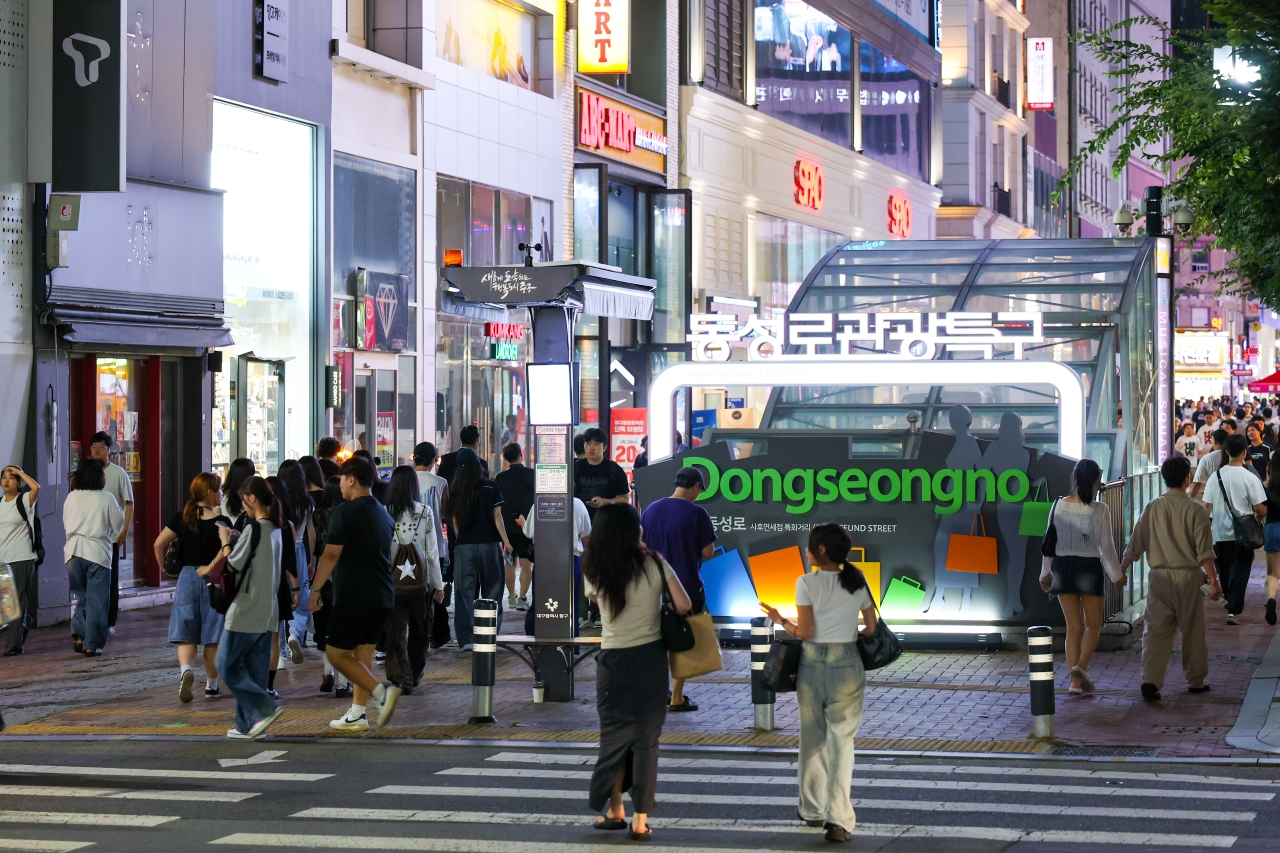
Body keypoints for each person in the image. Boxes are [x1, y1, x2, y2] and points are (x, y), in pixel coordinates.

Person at [762, 523, 877, 843]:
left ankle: (812, 809)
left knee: (812, 736)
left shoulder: (806, 583)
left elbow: (806, 632)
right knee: (842, 742)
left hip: (813, 665)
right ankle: (839, 820)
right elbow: (870, 628)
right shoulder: (856, 580)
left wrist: (781, 620)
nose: (807, 551)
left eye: (810, 547)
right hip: (848, 664)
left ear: (822, 551)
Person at [583, 503, 691, 841]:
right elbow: (685, 605)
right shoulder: (655, 563)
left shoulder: (594, 568)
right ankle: (640, 820)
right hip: (650, 662)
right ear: (635, 531)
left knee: (614, 739)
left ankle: (615, 809)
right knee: (646, 742)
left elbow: (592, 600)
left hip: (613, 664)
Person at [308, 456, 402, 731]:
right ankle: (358, 714)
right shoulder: (383, 512)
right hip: (382, 595)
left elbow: (331, 553)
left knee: (336, 654)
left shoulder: (345, 512)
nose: (339, 488)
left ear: (350, 480)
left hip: (354, 594)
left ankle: (381, 694)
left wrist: (315, 589)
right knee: (362, 655)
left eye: (341, 481)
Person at [1120, 456, 1219, 701]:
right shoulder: (1195, 509)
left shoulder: (1153, 506)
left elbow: (1136, 543)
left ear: (1164, 478)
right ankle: (1196, 681)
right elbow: (1204, 552)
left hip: (1159, 578)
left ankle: (1151, 681)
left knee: (1155, 631)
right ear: (1187, 479)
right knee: (1193, 631)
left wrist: (1121, 569)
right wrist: (1214, 582)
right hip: (1189, 578)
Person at [200, 476, 284, 739]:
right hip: (268, 609)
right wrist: (238, 537)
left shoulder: (255, 528)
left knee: (225, 663)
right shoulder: (277, 529)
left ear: (252, 498)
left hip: (246, 609)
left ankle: (265, 708)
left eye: (242, 500)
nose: (242, 507)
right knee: (254, 669)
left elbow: (232, 564)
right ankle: (247, 725)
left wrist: (226, 539)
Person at [1038, 458, 1124, 694]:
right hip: (1089, 568)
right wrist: (1116, 575)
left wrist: (1045, 574)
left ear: (1074, 478)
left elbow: (1049, 544)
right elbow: (1107, 548)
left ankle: (1075, 683)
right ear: (1096, 481)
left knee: (1073, 628)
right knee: (1093, 625)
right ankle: (1081, 667)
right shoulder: (1100, 510)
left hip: (1063, 569)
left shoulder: (1057, 505)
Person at [640, 466, 717, 712]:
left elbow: (641, 546)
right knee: (682, 641)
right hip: (686, 588)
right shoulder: (697, 513)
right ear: (695, 486)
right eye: (699, 490)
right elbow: (708, 552)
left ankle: (658, 692)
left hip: (654, 589)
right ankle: (676, 696)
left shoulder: (651, 509)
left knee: (659, 641)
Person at [152, 473, 229, 701]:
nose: (222, 494)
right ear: (209, 492)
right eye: (219, 489)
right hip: (214, 579)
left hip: (186, 577)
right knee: (212, 636)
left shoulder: (182, 518)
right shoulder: (221, 523)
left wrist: (164, 566)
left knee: (186, 633)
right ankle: (212, 686)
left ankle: (186, 670)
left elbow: (158, 543)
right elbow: (228, 554)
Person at [443, 449, 512, 651]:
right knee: (493, 588)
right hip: (489, 544)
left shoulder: (456, 490)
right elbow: (497, 516)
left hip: (464, 546)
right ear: (478, 466)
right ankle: (489, 634)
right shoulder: (491, 486)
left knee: (464, 592)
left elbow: (454, 521)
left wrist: (460, 538)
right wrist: (506, 541)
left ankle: (466, 639)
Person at [382, 466, 443, 693]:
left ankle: (401, 675)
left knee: (395, 633)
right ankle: (414, 674)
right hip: (419, 583)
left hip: (391, 583)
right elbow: (431, 552)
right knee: (420, 631)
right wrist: (438, 585)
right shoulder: (424, 511)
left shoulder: (384, 511)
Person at [1202, 434, 1268, 625]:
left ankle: (1229, 604)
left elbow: (1206, 506)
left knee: (1224, 569)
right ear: (1244, 452)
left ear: (1226, 451)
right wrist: (1259, 516)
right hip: (1244, 534)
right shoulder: (1250, 477)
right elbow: (1260, 508)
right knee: (1240, 570)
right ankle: (1233, 609)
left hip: (1220, 533)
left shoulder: (1216, 476)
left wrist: (1204, 529)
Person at [63, 458, 124, 656]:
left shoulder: (71, 497)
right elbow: (117, 525)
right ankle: (92, 644)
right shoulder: (106, 498)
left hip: (73, 552)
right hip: (97, 553)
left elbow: (65, 522)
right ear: (98, 477)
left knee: (82, 597)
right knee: (98, 601)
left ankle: (80, 635)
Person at [519, 493, 592, 636]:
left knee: (542, 603)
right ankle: (571, 646)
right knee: (571, 605)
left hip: (544, 559)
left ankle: (541, 642)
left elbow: (529, 532)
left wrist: (522, 523)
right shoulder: (577, 503)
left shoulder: (540, 503)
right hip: (571, 558)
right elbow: (586, 533)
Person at [88, 432, 134, 634]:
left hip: (111, 537)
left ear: (109, 450)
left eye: (101, 446)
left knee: (110, 580)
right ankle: (92, 620)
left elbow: (129, 503)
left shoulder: (118, 473)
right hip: (91, 537)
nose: (97, 450)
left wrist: (124, 530)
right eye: (94, 446)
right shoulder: (86, 473)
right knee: (92, 581)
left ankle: (109, 621)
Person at [311, 476, 349, 697]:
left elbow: (315, 546)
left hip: (322, 577)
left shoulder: (317, 515)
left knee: (324, 628)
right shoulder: (347, 515)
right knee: (344, 629)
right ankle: (344, 683)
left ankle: (328, 673)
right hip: (344, 577)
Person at [277, 459, 316, 659]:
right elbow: (311, 533)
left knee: (277, 599)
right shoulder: (306, 502)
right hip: (299, 551)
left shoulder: (277, 502)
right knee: (300, 599)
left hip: (277, 551)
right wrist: (312, 560)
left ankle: (279, 650)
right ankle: (295, 634)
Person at [0, 465, 40, 656]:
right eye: (4, 477)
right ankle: (24, 622)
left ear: (19, 482)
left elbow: (37, 488)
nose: (7, 481)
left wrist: (20, 471)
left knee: (17, 602)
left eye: (12, 477)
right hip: (3, 558)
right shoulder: (0, 503)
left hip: (22, 557)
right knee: (7, 607)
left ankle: (12, 646)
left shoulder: (24, 500)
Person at [495, 442, 535, 611]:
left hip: (507, 527)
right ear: (521, 454)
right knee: (526, 563)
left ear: (505, 458)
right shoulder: (532, 475)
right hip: (527, 525)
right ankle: (523, 598)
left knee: (509, 563)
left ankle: (511, 596)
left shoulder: (500, 477)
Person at [412, 442, 449, 579]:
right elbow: (445, 513)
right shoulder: (441, 483)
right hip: (434, 543)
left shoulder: (406, 480)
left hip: (409, 543)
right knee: (434, 587)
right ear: (433, 459)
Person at [1190, 429, 1229, 501]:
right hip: (1233, 497)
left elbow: (1197, 483)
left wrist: (1190, 500)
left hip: (1213, 497)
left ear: (1214, 441)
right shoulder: (1234, 456)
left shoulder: (1206, 458)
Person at [1265, 453, 1280, 626]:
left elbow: (1261, 510)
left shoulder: (1267, 487)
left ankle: (1271, 599)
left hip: (1273, 529)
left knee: (1272, 574)